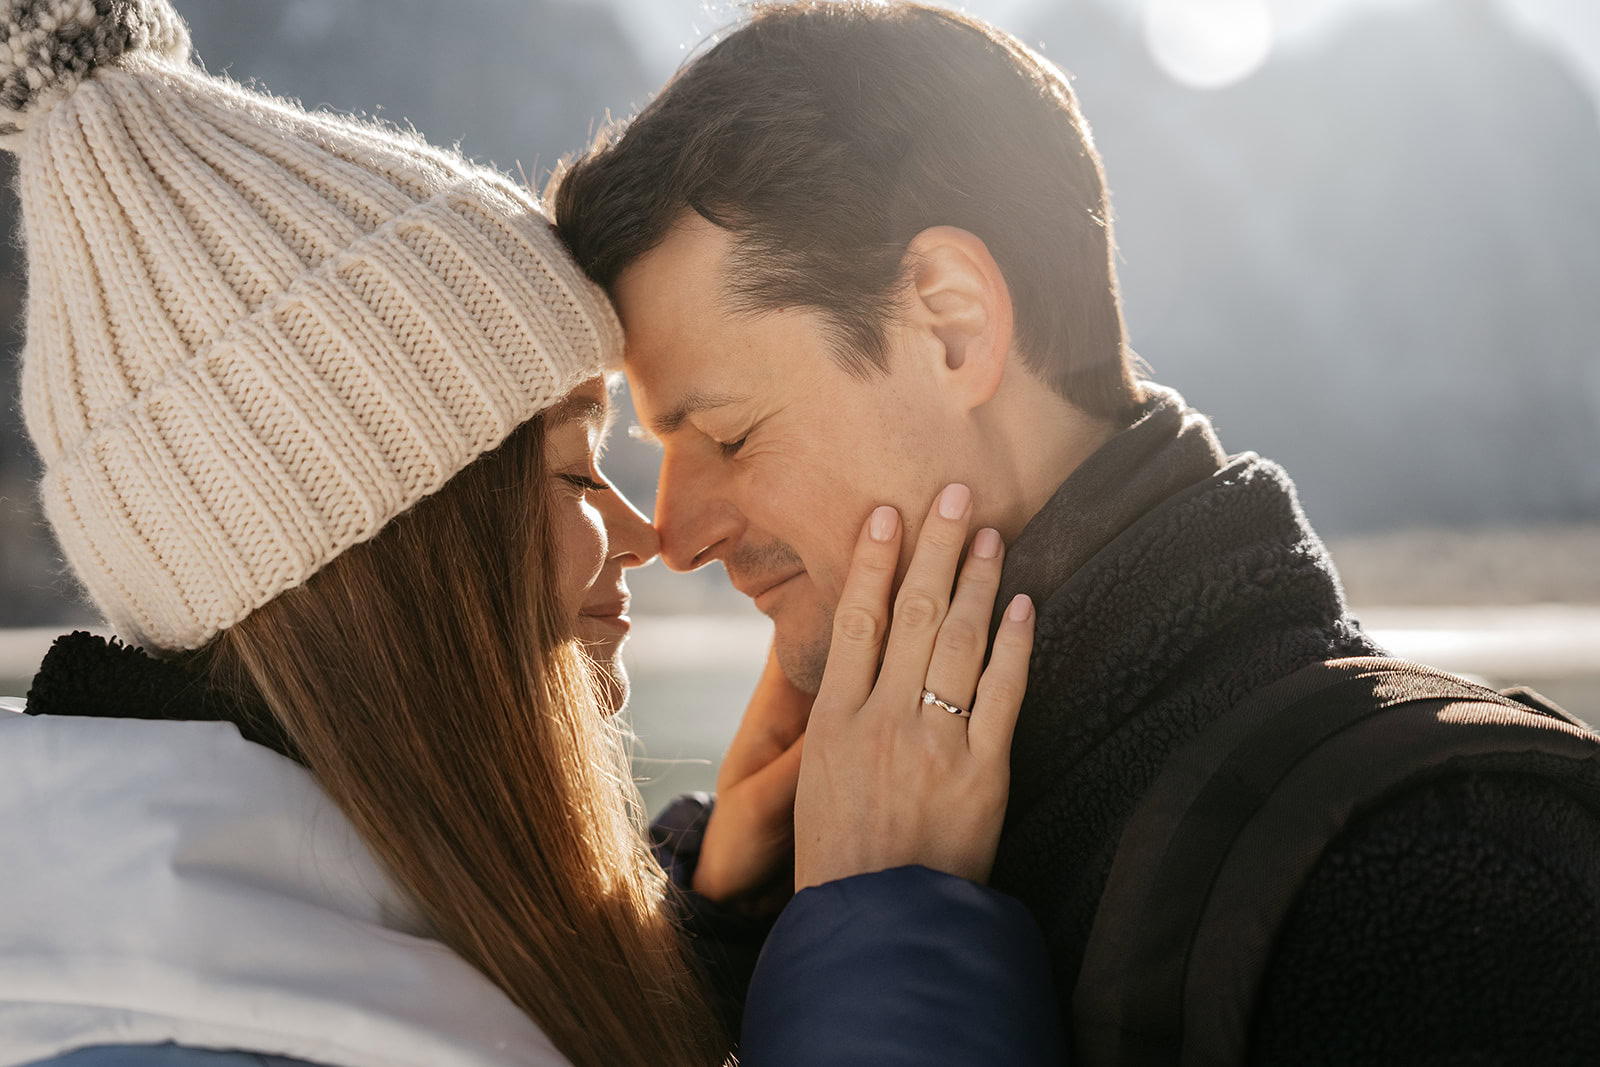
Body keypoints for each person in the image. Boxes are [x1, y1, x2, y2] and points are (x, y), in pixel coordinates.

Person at [0, 2, 1064, 1064]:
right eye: (570, 469)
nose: (652, 533)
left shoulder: (200, 962)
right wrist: (883, 932)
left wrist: (705, 919)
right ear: (399, 552)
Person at [551, 2, 1600, 1062]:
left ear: (951, 323)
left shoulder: (1453, 867)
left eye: (726, 434)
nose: (673, 535)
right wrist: (722, 929)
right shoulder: (799, 866)